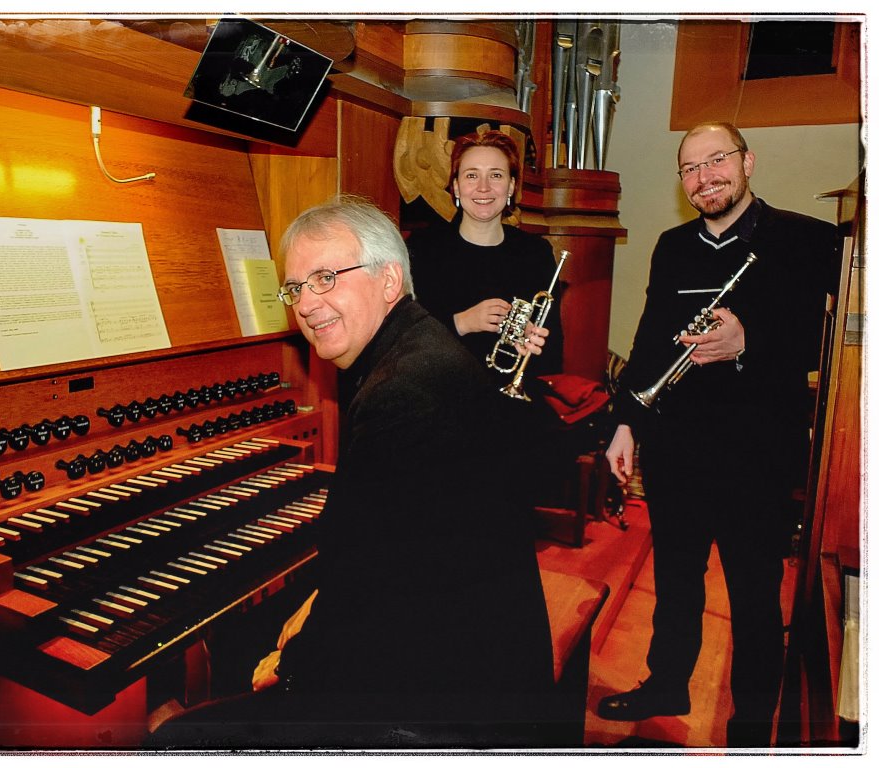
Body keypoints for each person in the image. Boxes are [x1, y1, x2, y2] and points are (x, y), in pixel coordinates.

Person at [147, 196, 555, 748]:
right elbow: (390, 550)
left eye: (325, 278)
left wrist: (291, 668)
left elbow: (370, 596)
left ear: (390, 280)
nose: (307, 304)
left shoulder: (403, 391)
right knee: (240, 633)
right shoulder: (420, 347)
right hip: (470, 642)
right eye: (295, 288)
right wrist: (316, 604)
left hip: (442, 700)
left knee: (174, 738)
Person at [596, 122, 838, 747]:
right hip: (678, 446)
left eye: (717, 161)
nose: (705, 177)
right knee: (675, 580)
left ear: (747, 161)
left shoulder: (807, 240)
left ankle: (752, 728)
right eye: (690, 168)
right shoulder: (673, 246)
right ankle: (666, 682)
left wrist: (748, 342)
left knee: (754, 596)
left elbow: (833, 340)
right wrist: (626, 420)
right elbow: (651, 339)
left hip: (757, 452)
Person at [407, 129, 564, 399]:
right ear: (456, 186)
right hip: (437, 403)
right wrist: (461, 322)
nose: (483, 187)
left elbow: (554, 352)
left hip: (510, 410)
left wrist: (533, 344)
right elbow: (402, 342)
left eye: (496, 175)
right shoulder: (422, 248)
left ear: (512, 186)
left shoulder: (535, 253)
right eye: (471, 175)